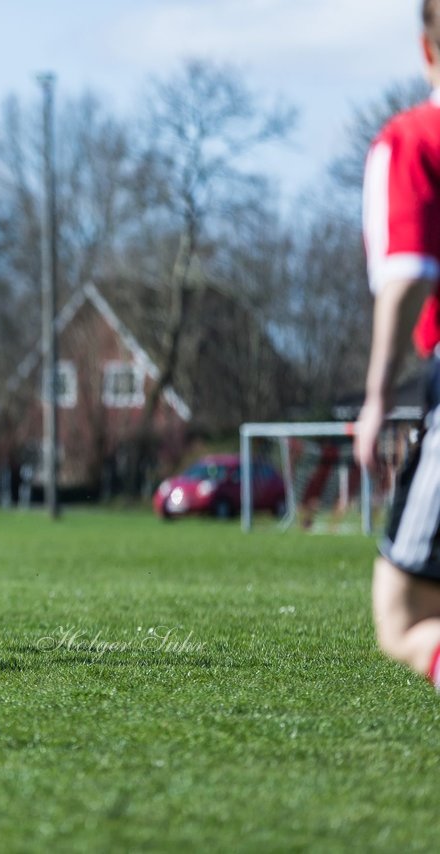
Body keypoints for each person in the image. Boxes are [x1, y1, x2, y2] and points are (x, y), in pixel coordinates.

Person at [355, 0, 440, 689]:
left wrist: (379, 395)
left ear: (427, 49)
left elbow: (409, 269)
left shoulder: (413, 140)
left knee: (402, 616)